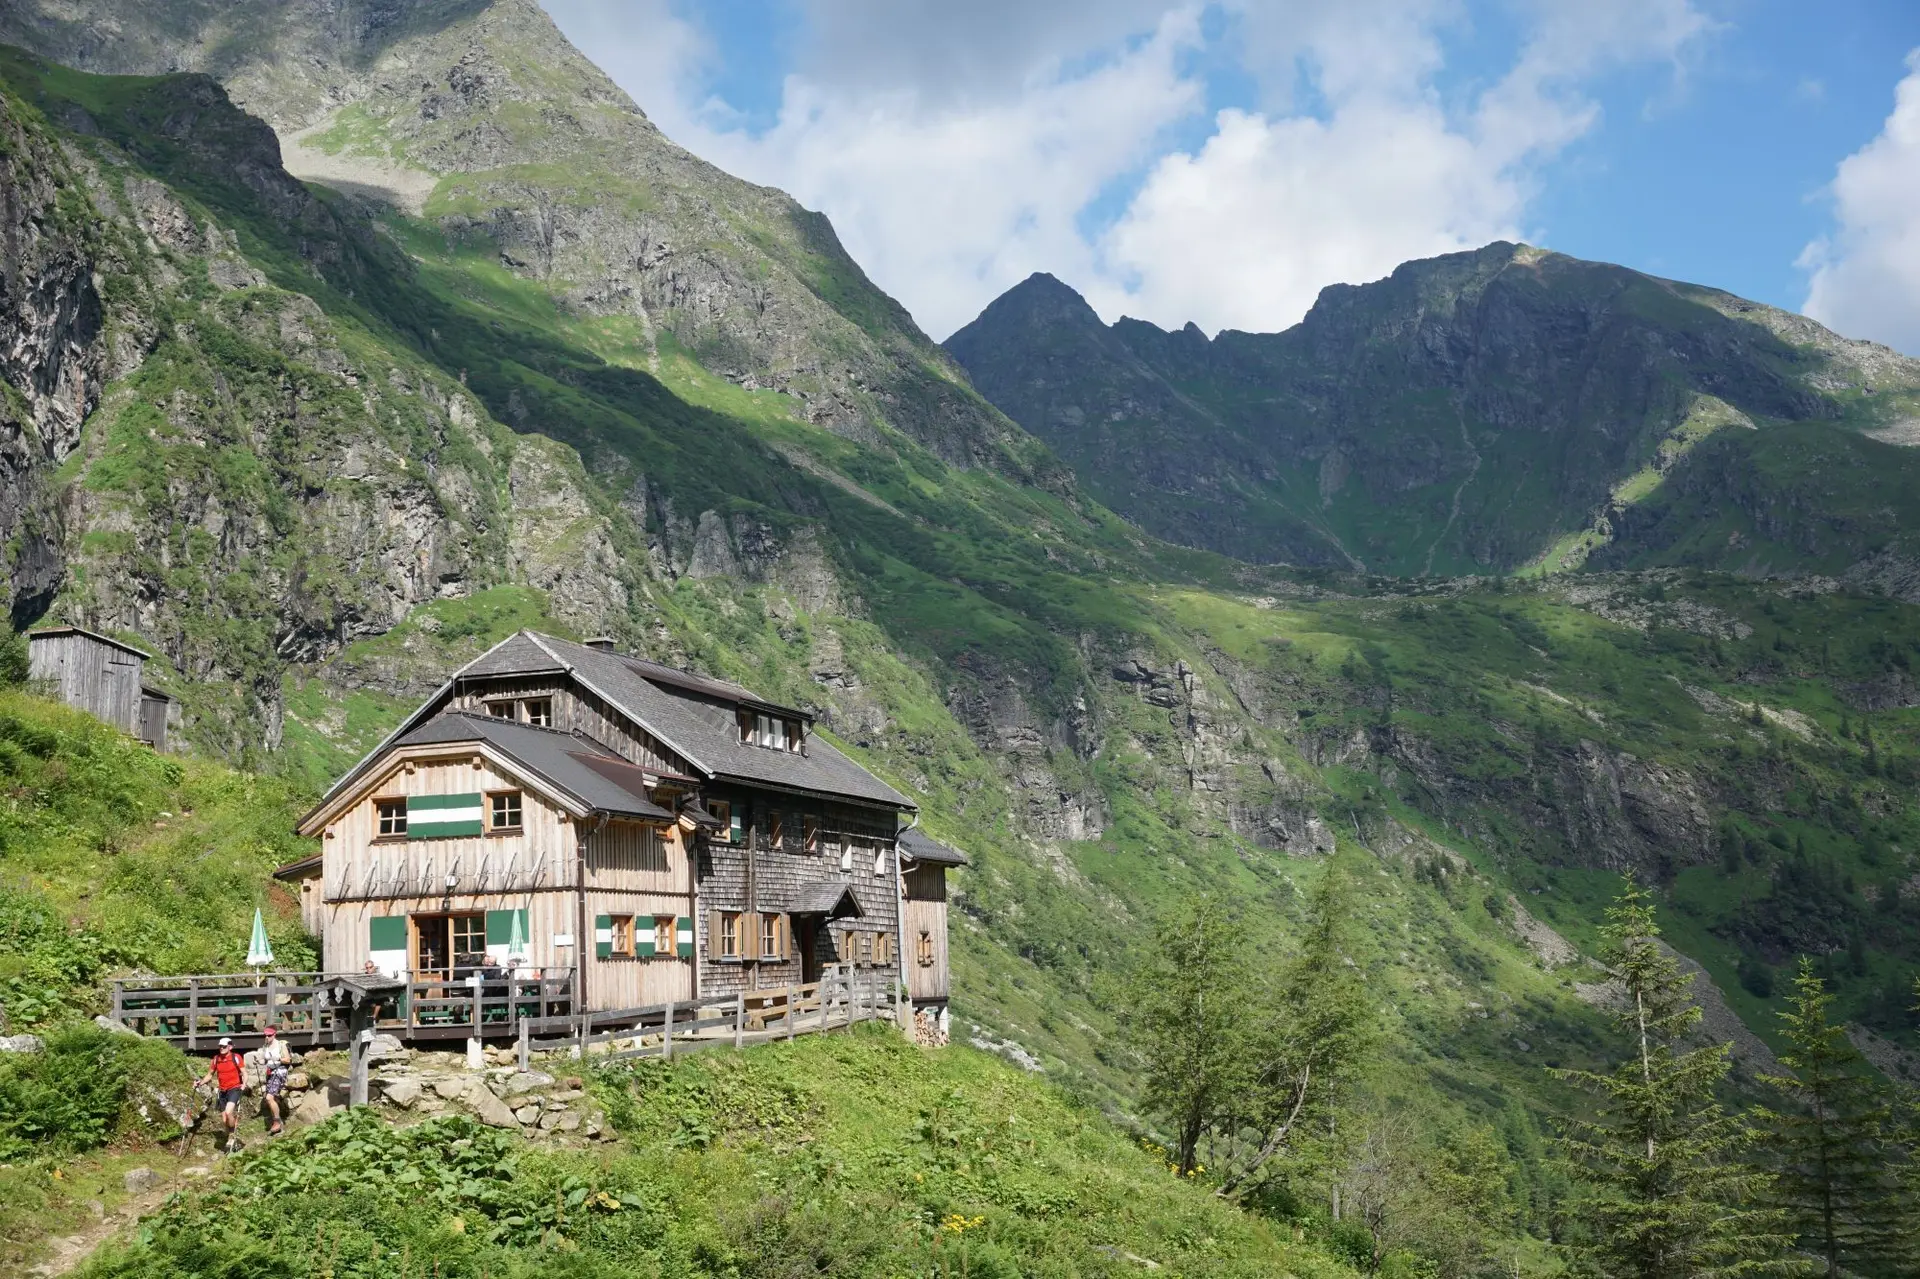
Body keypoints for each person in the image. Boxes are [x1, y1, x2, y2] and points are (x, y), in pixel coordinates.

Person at [199, 1037, 247, 1151]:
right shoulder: (216, 1059)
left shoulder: (236, 1057)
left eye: (224, 1046)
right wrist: (200, 1083)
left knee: (229, 1111)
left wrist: (244, 1084)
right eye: (220, 1046)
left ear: (230, 1047)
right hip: (222, 1091)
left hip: (234, 1088)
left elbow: (244, 1073)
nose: (221, 1048)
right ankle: (231, 1138)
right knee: (224, 1119)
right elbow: (210, 1074)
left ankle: (231, 1135)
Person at [257, 1025, 291, 1136]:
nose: (267, 1037)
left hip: (280, 1071)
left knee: (269, 1097)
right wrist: (258, 1061)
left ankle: (277, 1122)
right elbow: (264, 1060)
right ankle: (278, 1123)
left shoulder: (281, 1045)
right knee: (272, 1098)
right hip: (270, 1072)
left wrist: (277, 1058)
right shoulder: (265, 1046)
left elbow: (287, 1059)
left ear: (274, 1034)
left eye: (269, 1035)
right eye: (265, 1035)